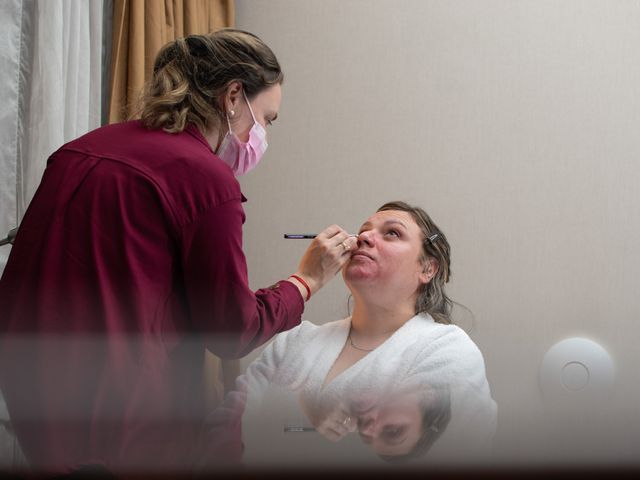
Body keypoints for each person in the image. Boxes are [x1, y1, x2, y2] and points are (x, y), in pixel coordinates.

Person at [0, 29, 357, 474]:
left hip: (38, 408)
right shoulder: (205, 180)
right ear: (233, 96)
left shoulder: (80, 150)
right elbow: (230, 332)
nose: (262, 134)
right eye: (267, 119)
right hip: (123, 428)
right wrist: (306, 281)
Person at [205, 201, 497, 468]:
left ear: (427, 268)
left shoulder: (447, 350)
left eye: (392, 233)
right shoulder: (295, 341)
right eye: (363, 231)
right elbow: (225, 432)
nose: (363, 238)